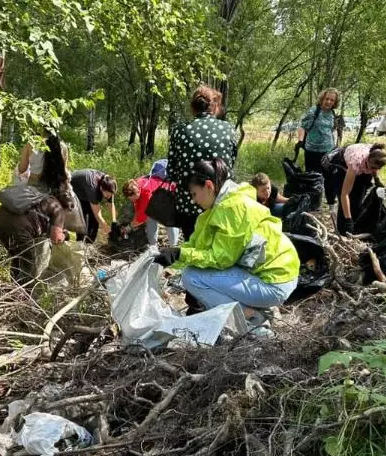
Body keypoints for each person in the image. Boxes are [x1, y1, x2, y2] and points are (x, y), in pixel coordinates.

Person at [153, 158, 300, 334]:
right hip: (275, 274)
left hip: (275, 282)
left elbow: (221, 259)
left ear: (208, 186)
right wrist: (171, 257)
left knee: (192, 277)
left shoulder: (231, 209)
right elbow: (198, 246)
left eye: (194, 194)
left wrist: (180, 254)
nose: (193, 201)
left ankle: (250, 321)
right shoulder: (222, 204)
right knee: (193, 272)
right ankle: (253, 311)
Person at [167, 85, 239, 240]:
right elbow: (231, 164)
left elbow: (171, 172)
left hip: (190, 203)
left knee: (193, 246)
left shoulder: (180, 130)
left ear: (193, 108)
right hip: (222, 202)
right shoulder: (228, 129)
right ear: (214, 107)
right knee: (221, 249)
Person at [0, 190, 74, 284]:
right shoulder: (58, 209)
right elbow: (56, 238)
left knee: (17, 255)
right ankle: (22, 292)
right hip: (18, 227)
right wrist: (64, 235)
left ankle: (14, 286)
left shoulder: (43, 199)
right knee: (29, 260)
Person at [295, 88, 340, 208]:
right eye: (327, 99)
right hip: (312, 151)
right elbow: (303, 127)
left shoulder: (332, 114)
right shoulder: (314, 111)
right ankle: (312, 204)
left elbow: (332, 130)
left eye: (332, 100)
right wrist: (300, 141)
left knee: (330, 179)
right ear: (322, 99)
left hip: (328, 152)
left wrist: (335, 146)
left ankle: (331, 204)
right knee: (312, 178)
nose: (329, 102)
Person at [332, 143, 386, 235]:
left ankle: (354, 228)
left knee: (357, 201)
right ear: (367, 160)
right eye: (372, 168)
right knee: (345, 204)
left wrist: (376, 179)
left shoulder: (375, 157)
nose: (373, 171)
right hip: (344, 166)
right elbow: (344, 194)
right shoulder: (356, 163)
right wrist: (348, 220)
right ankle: (342, 231)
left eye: (377, 169)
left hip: (363, 166)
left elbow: (374, 168)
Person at [121, 159, 180, 247]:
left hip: (169, 195)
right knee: (150, 217)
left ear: (137, 192)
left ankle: (174, 247)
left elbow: (141, 219)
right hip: (158, 198)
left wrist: (128, 228)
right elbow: (139, 210)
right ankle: (153, 247)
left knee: (169, 220)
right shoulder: (136, 184)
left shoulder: (146, 194)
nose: (131, 200)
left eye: (132, 198)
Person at [71, 169, 117, 243]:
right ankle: (80, 244)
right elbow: (98, 215)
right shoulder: (93, 188)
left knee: (94, 222)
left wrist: (114, 222)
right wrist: (107, 229)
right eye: (108, 195)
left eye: (111, 195)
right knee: (84, 221)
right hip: (74, 189)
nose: (109, 196)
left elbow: (111, 204)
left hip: (85, 191)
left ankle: (89, 243)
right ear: (102, 189)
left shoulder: (109, 184)